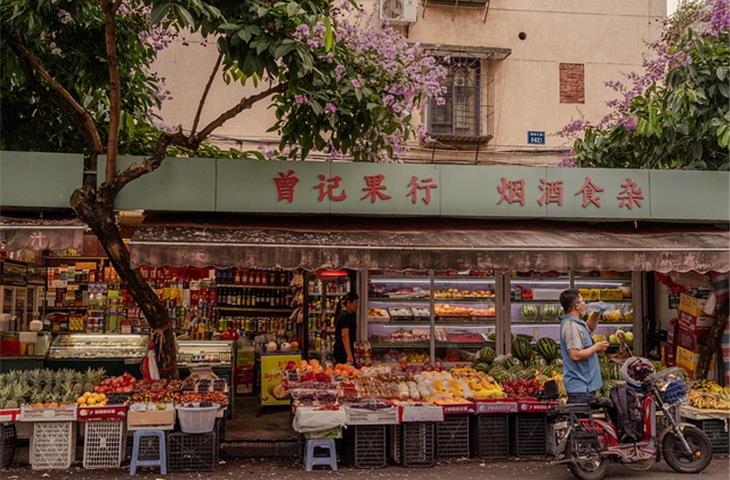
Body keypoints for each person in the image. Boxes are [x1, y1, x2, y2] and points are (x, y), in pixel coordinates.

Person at [558, 288, 609, 404]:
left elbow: (589, 328)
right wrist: (596, 347)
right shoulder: (571, 327)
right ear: (576, 306)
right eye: (582, 301)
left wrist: (597, 312)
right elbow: (575, 355)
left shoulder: (576, 323)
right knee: (580, 421)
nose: (585, 304)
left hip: (585, 387)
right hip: (580, 388)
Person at [333, 292, 359, 365]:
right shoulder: (345, 316)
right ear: (348, 303)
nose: (357, 305)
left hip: (341, 350)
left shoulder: (345, 314)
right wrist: (349, 355)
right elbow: (345, 335)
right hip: (342, 351)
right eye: (355, 303)